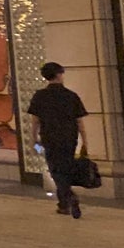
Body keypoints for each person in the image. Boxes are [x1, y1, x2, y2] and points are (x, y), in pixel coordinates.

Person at [28, 61, 89, 218]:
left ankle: (67, 199)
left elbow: (35, 121)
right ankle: (64, 202)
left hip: (49, 137)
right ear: (59, 75)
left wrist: (33, 139)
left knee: (55, 169)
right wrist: (85, 142)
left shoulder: (40, 96)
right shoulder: (71, 96)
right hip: (69, 138)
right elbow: (79, 122)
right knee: (66, 167)